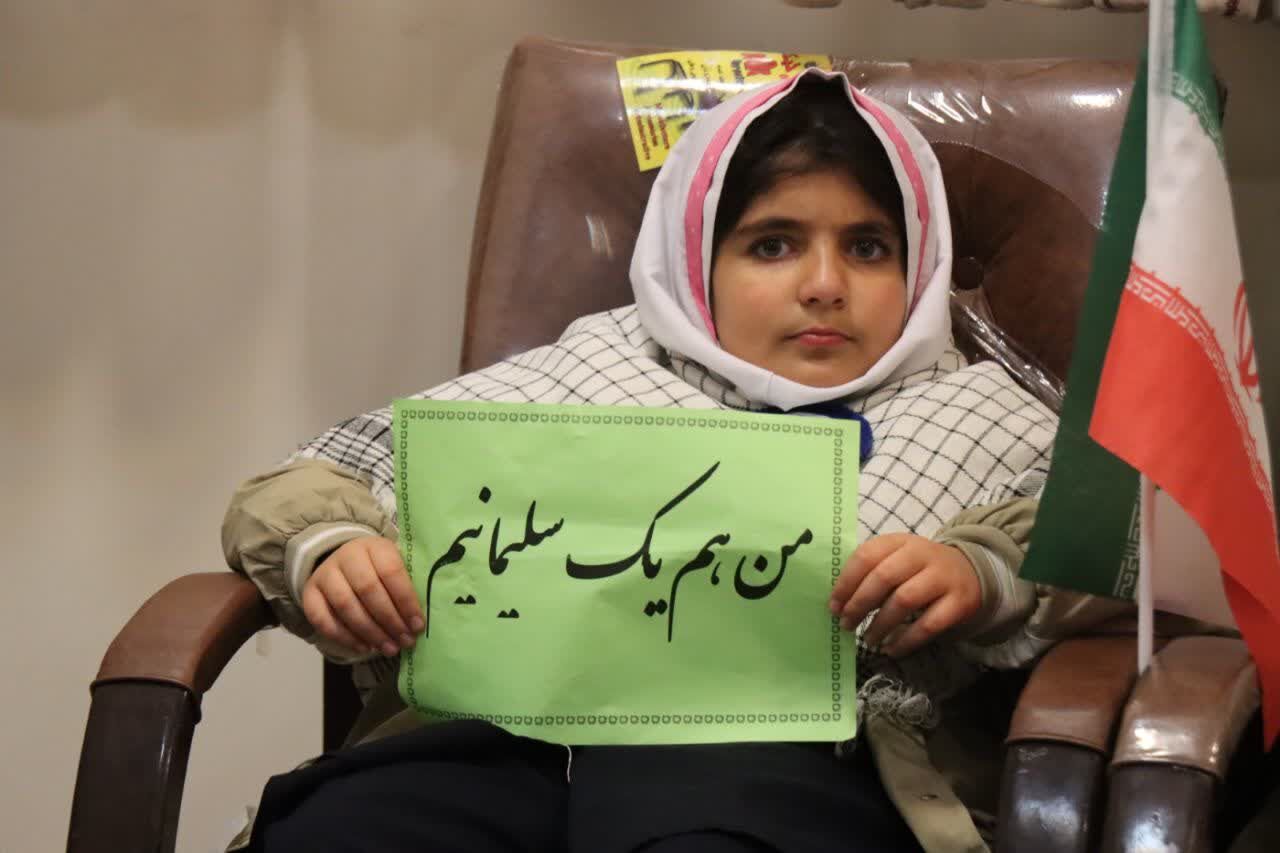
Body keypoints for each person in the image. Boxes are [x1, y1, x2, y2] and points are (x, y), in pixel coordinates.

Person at [223, 69, 1091, 853]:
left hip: (785, 771)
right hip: (500, 745)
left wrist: (983, 572)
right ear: (695, 260)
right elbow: (306, 482)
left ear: (919, 265)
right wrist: (332, 550)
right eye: (773, 244)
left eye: (868, 247)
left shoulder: (973, 415)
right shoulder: (583, 374)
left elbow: (1107, 550)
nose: (825, 284)